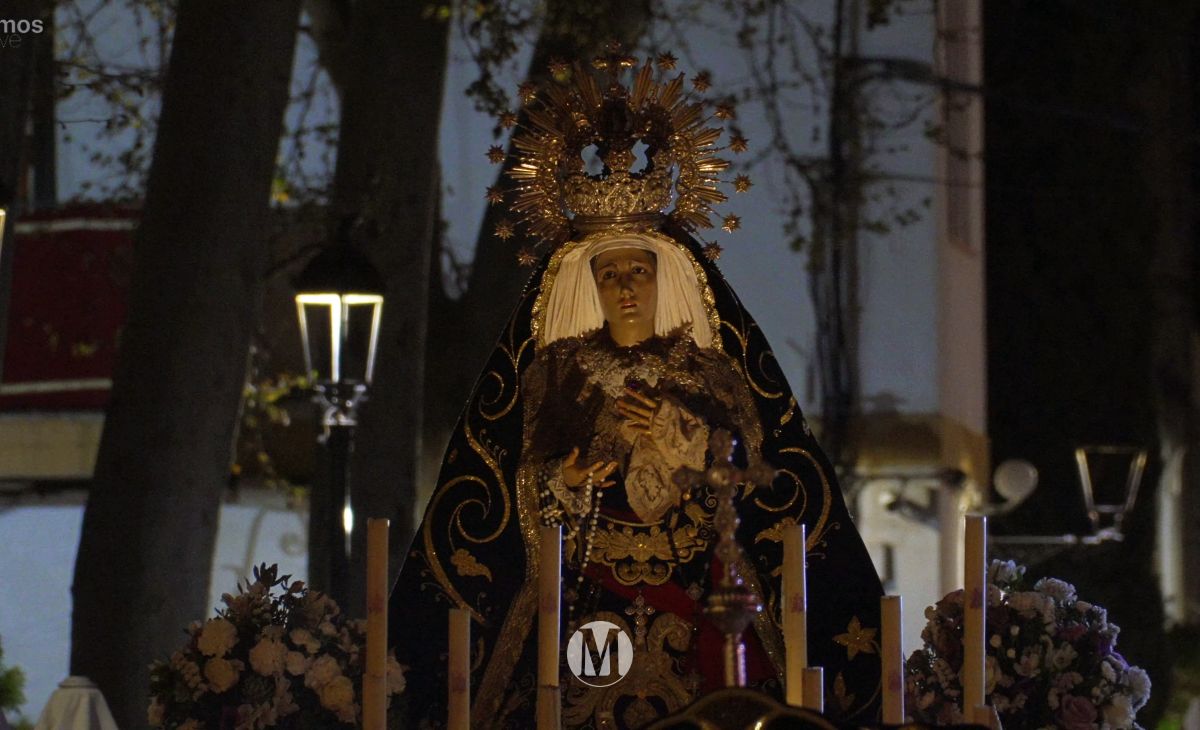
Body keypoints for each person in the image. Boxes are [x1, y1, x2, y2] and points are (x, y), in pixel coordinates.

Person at [389, 52, 883, 729]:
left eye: (638, 271)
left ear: (662, 277)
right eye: (610, 273)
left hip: (694, 596)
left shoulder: (708, 374)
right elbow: (513, 483)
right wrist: (564, 480)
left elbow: (754, 474)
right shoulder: (556, 373)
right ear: (592, 285)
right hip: (589, 600)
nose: (624, 286)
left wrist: (678, 436)